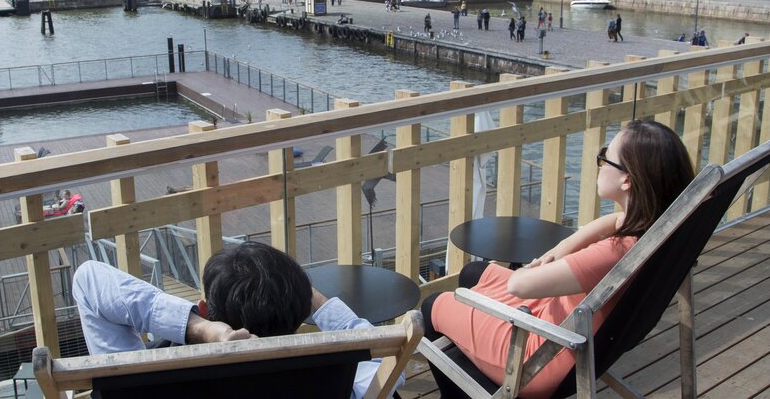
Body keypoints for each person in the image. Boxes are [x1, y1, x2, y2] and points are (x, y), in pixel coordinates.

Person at [423, 120, 694, 398]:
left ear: (627, 180)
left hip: (538, 358)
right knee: (474, 273)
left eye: (605, 158)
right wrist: (564, 247)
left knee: (433, 305)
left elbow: (519, 285)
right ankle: (475, 354)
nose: (600, 164)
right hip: (568, 326)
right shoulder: (657, 233)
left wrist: (537, 266)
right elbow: (616, 219)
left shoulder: (612, 252)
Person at [73, 241, 398, 399]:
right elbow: (388, 370)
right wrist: (321, 303)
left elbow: (89, 279)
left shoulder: (146, 382)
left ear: (204, 308)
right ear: (302, 313)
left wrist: (196, 327)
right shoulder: (332, 375)